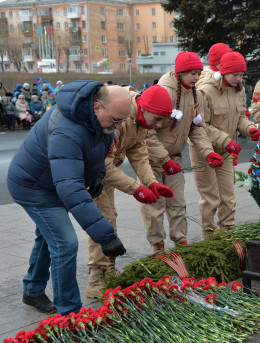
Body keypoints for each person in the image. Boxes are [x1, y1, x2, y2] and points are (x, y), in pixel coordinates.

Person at [6, 81, 130, 316]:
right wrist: (105, 236)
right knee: (65, 243)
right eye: (116, 120)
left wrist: (97, 178)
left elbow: (98, 156)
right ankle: (70, 313)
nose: (118, 126)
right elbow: (70, 187)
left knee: (48, 237)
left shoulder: (102, 121)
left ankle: (32, 289)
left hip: (53, 182)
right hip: (34, 186)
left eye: (123, 121)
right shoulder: (67, 129)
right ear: (96, 107)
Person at [86, 85, 175, 298]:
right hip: (93, 171)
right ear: (144, 107)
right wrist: (137, 189)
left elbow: (138, 152)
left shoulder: (141, 119)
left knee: (110, 218)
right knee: (103, 220)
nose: (159, 125)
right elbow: (104, 164)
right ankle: (96, 278)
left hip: (106, 170)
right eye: (158, 119)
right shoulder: (121, 115)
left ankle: (108, 270)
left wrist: (151, 182)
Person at [143, 51, 223, 253]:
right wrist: (163, 159)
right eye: (192, 73)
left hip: (175, 160)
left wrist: (207, 152)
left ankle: (181, 244)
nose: (197, 77)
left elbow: (196, 127)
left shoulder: (193, 93)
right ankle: (157, 247)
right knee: (154, 206)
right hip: (153, 161)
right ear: (179, 73)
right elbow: (147, 133)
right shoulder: (163, 91)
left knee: (178, 204)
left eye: (198, 72)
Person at [194, 52, 260, 239]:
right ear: (223, 72)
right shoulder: (206, 91)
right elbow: (200, 125)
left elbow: (240, 117)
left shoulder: (239, 90)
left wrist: (250, 129)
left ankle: (228, 235)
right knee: (210, 198)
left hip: (225, 150)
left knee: (228, 196)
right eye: (235, 75)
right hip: (205, 151)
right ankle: (209, 239)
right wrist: (226, 141)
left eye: (241, 75)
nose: (238, 78)